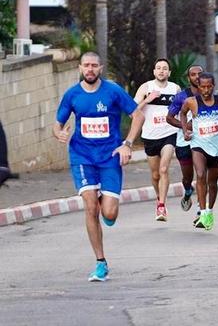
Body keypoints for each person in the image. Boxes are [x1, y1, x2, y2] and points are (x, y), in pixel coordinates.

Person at [53, 52, 146, 282]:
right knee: (90, 207)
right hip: (82, 157)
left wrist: (127, 144)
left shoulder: (112, 91)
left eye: (94, 65)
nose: (90, 69)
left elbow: (138, 115)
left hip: (109, 157)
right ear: (80, 68)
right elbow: (57, 125)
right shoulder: (72, 95)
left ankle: (109, 208)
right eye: (86, 65)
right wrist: (60, 134)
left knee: (109, 213)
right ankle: (100, 262)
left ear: (100, 68)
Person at [179, 73, 218, 230]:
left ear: (213, 85)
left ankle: (209, 211)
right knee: (201, 175)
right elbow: (182, 114)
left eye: (209, 86)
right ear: (198, 86)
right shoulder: (191, 102)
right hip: (198, 145)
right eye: (202, 86)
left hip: (217, 149)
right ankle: (202, 213)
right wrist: (184, 131)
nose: (205, 90)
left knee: (212, 183)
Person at [134, 58, 181, 222]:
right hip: (150, 135)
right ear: (154, 71)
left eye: (165, 68)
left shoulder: (175, 88)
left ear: (169, 72)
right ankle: (158, 197)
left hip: (169, 133)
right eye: (158, 68)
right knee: (155, 175)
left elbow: (183, 109)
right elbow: (132, 110)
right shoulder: (146, 87)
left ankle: (162, 205)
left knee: (163, 169)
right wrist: (147, 99)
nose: (161, 71)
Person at [167, 65, 203, 213]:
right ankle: (188, 191)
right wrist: (185, 127)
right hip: (184, 141)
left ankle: (202, 210)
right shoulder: (182, 96)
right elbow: (169, 118)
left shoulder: (209, 95)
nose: (196, 77)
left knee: (202, 175)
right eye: (192, 75)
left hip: (203, 142)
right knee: (187, 178)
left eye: (199, 74)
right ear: (188, 78)